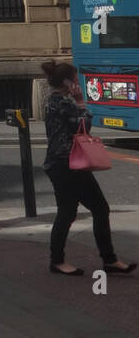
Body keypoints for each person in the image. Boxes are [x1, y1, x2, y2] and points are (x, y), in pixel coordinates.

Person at [41, 59, 135, 277]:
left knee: (69, 212)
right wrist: (81, 102)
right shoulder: (64, 103)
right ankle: (106, 260)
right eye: (74, 79)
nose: (77, 82)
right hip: (68, 164)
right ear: (67, 82)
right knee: (96, 209)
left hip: (60, 163)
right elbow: (83, 125)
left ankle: (60, 260)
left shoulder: (51, 101)